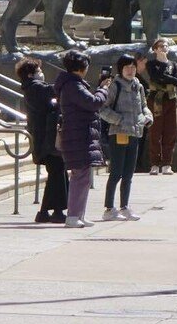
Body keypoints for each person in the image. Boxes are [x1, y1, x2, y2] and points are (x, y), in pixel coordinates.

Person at [54, 51, 110, 228]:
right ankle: (73, 215)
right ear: (81, 67)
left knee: (84, 176)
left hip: (79, 135)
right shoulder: (73, 86)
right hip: (77, 136)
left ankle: (79, 213)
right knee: (79, 176)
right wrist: (103, 89)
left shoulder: (73, 84)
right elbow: (93, 102)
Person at [99, 55, 152, 220]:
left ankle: (124, 206)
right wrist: (119, 120)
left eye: (133, 67)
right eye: (127, 67)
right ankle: (109, 208)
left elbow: (143, 105)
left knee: (129, 173)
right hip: (119, 133)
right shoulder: (115, 86)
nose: (130, 71)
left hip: (135, 133)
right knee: (116, 172)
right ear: (120, 69)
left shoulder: (138, 85)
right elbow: (102, 108)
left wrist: (147, 117)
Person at [17, 58, 66, 224]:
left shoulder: (32, 88)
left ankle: (46, 211)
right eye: (38, 71)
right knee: (57, 173)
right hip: (46, 139)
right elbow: (53, 90)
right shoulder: (35, 88)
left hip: (45, 138)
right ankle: (53, 211)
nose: (41, 74)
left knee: (56, 173)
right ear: (31, 74)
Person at [145, 39, 177, 175]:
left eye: (166, 46)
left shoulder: (174, 64)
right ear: (155, 49)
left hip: (171, 98)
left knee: (171, 131)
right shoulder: (151, 64)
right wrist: (168, 78)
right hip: (156, 99)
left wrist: (165, 78)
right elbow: (155, 76)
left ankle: (167, 163)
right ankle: (154, 163)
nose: (164, 48)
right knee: (155, 131)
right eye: (161, 46)